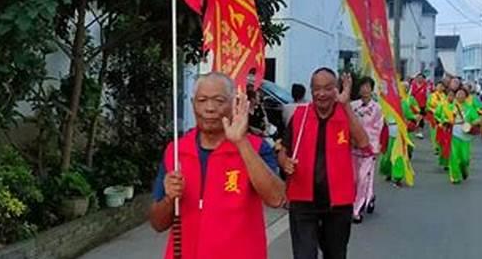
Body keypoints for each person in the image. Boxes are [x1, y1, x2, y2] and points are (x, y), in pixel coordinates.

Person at [149, 73, 285, 259]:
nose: (210, 108)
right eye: (202, 100)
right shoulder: (176, 151)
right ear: (192, 103)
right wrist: (169, 199)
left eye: (219, 100)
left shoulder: (256, 148)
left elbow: (276, 198)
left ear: (233, 103)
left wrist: (241, 142)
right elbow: (158, 223)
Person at [278, 68, 370, 259]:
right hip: (302, 200)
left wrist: (345, 106)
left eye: (328, 88)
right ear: (311, 90)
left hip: (338, 202)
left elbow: (362, 142)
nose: (322, 94)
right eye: (317, 89)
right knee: (304, 255)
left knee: (335, 254)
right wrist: (284, 162)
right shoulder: (300, 115)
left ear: (336, 90)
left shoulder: (345, 114)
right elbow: (283, 150)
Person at [350, 76, 383, 223]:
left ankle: (356, 210)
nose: (365, 89)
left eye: (368, 86)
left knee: (363, 178)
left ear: (371, 88)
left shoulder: (377, 108)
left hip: (368, 149)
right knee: (354, 179)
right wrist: (353, 140)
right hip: (352, 148)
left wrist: (366, 142)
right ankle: (369, 197)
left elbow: (377, 128)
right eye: (362, 86)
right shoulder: (353, 106)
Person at [410, 73, 429, 139]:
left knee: (421, 119)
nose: (420, 79)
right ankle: (416, 130)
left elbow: (428, 96)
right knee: (415, 118)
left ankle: (420, 132)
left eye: (421, 78)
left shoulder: (426, 86)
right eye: (418, 77)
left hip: (422, 105)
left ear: (424, 79)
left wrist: (427, 105)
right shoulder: (413, 85)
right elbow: (410, 94)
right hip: (414, 105)